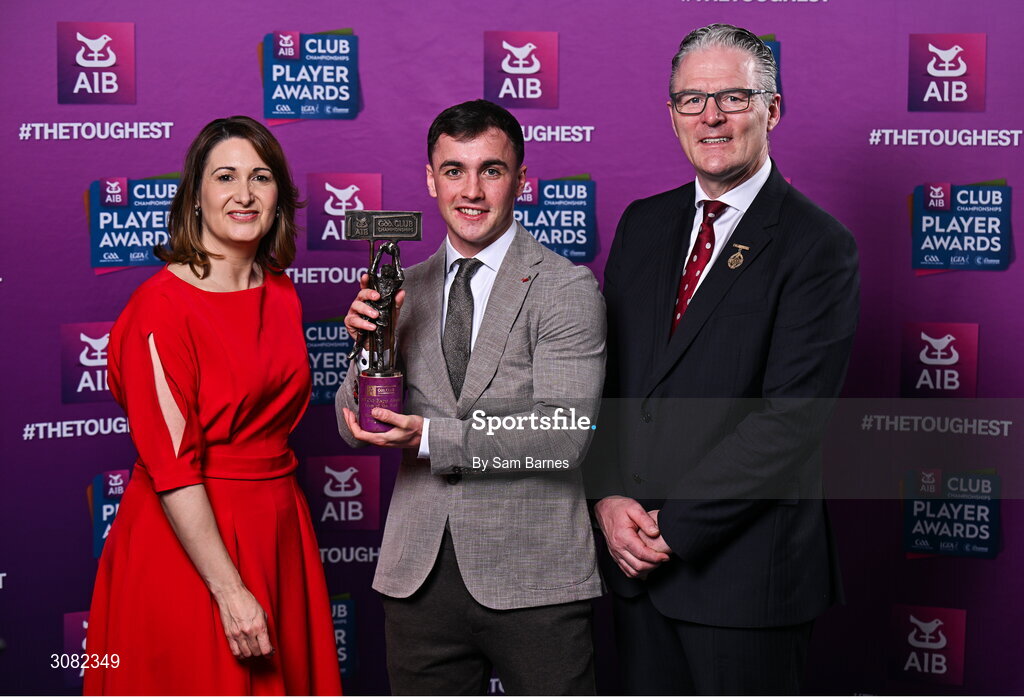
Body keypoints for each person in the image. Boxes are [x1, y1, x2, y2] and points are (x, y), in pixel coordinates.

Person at [590, 24, 860, 695]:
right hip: (634, 575)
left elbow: (788, 421)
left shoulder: (817, 245)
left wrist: (669, 531)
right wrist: (606, 496)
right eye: (690, 100)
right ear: (673, 114)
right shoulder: (642, 225)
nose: (709, 116)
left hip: (746, 586)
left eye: (732, 98)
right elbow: (606, 383)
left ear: (772, 109)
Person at [335, 99, 605, 695]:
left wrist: (431, 437)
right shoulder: (401, 287)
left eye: (492, 169)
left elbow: (563, 435)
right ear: (431, 180)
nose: (472, 190)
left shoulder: (565, 287)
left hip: (536, 579)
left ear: (522, 180)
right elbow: (351, 424)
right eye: (454, 170)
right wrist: (365, 350)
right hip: (419, 580)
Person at [84, 116, 342, 695]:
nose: (245, 195)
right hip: (192, 544)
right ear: (196, 196)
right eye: (225, 177)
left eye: (261, 177)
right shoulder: (160, 309)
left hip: (279, 524)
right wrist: (229, 590)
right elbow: (173, 469)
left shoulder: (279, 288)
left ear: (280, 198)